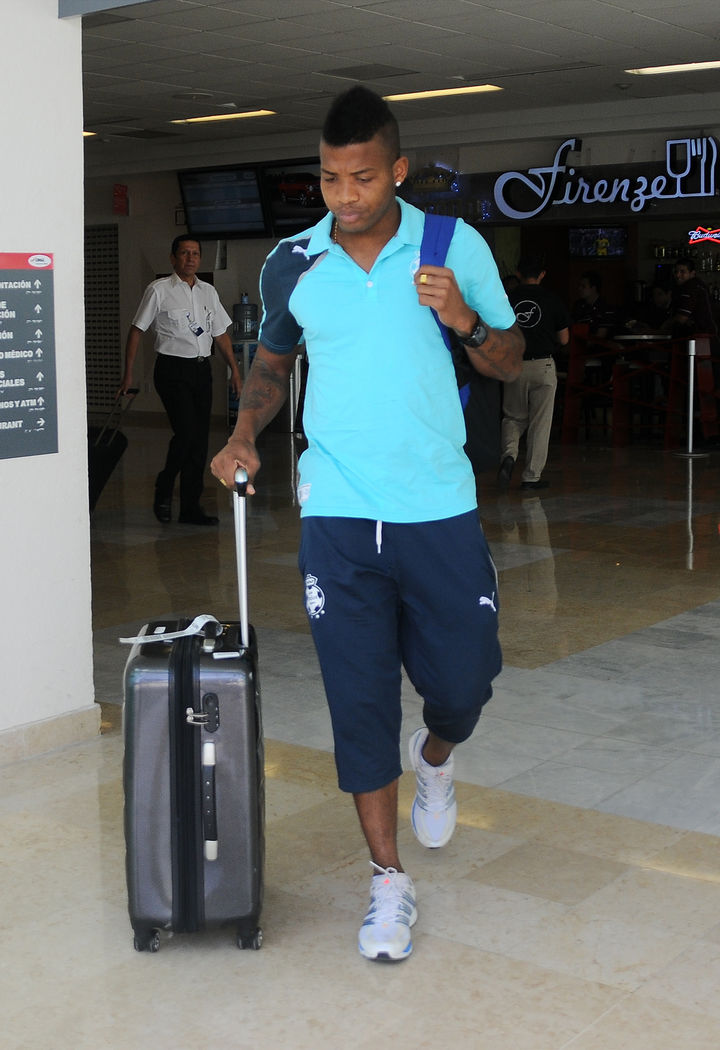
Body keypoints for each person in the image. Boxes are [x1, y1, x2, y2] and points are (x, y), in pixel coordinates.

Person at [210, 85, 524, 962]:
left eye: (362, 178)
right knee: (358, 700)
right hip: (338, 513)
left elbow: (510, 358)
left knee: (466, 681)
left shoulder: (452, 246)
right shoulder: (293, 262)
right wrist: (243, 432)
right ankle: (388, 879)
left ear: (398, 170)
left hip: (437, 507)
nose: (344, 196)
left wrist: (462, 318)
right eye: (329, 179)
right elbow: (273, 363)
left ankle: (437, 756)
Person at [119, 235, 242, 525]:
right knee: (186, 433)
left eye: (195, 253)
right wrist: (128, 374)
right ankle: (164, 487)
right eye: (185, 253)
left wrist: (235, 370)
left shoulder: (208, 292)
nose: (190, 258)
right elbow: (137, 330)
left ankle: (190, 507)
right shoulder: (159, 290)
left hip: (201, 370)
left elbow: (220, 334)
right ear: (173, 258)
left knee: (199, 442)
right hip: (172, 371)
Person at [498, 256, 570, 491]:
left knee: (513, 417)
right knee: (540, 423)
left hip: (515, 365)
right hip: (543, 366)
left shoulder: (508, 299)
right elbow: (564, 339)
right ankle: (531, 476)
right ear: (542, 274)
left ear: (518, 273)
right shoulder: (552, 299)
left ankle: (509, 455)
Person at [570, 270, 615, 338]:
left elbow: (600, 336)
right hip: (579, 343)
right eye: (579, 285)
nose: (579, 288)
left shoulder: (605, 308)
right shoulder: (578, 306)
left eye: (583, 286)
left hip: (596, 344)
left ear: (593, 288)